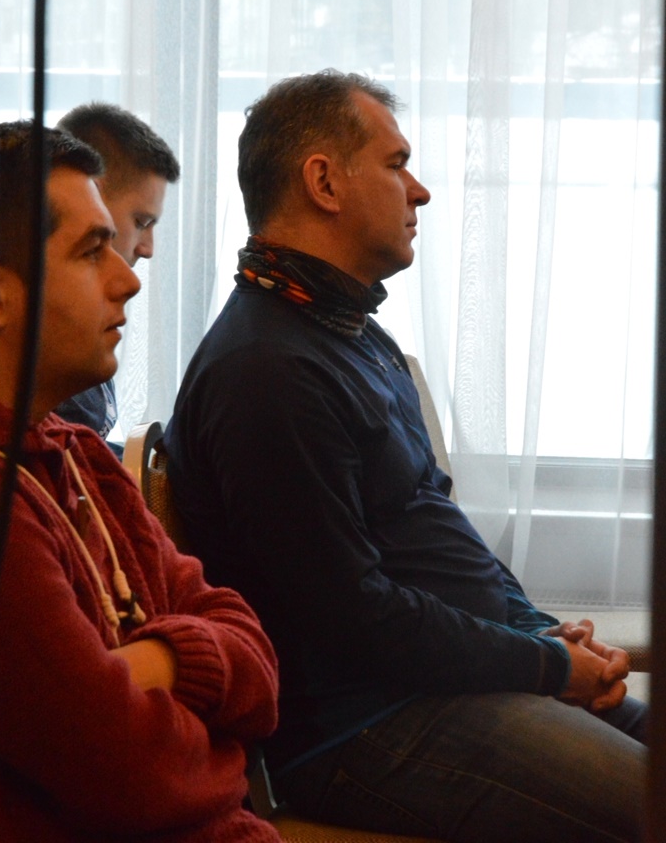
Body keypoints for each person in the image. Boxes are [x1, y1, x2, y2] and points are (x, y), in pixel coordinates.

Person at [164, 70, 647, 843]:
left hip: (441, 685)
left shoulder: (346, 332)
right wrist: (546, 666)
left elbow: (430, 529)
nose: (419, 191)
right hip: (363, 725)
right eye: (396, 164)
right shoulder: (266, 371)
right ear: (324, 181)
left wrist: (539, 633)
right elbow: (353, 618)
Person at [0, 121, 281, 843]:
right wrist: (220, 756)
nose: (128, 277)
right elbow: (133, 777)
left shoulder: (82, 456)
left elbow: (257, 659)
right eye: (92, 251)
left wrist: (158, 660)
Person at [55, 102, 180, 444]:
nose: (148, 248)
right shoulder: (56, 341)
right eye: (141, 222)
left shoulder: (93, 321)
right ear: (91, 194)